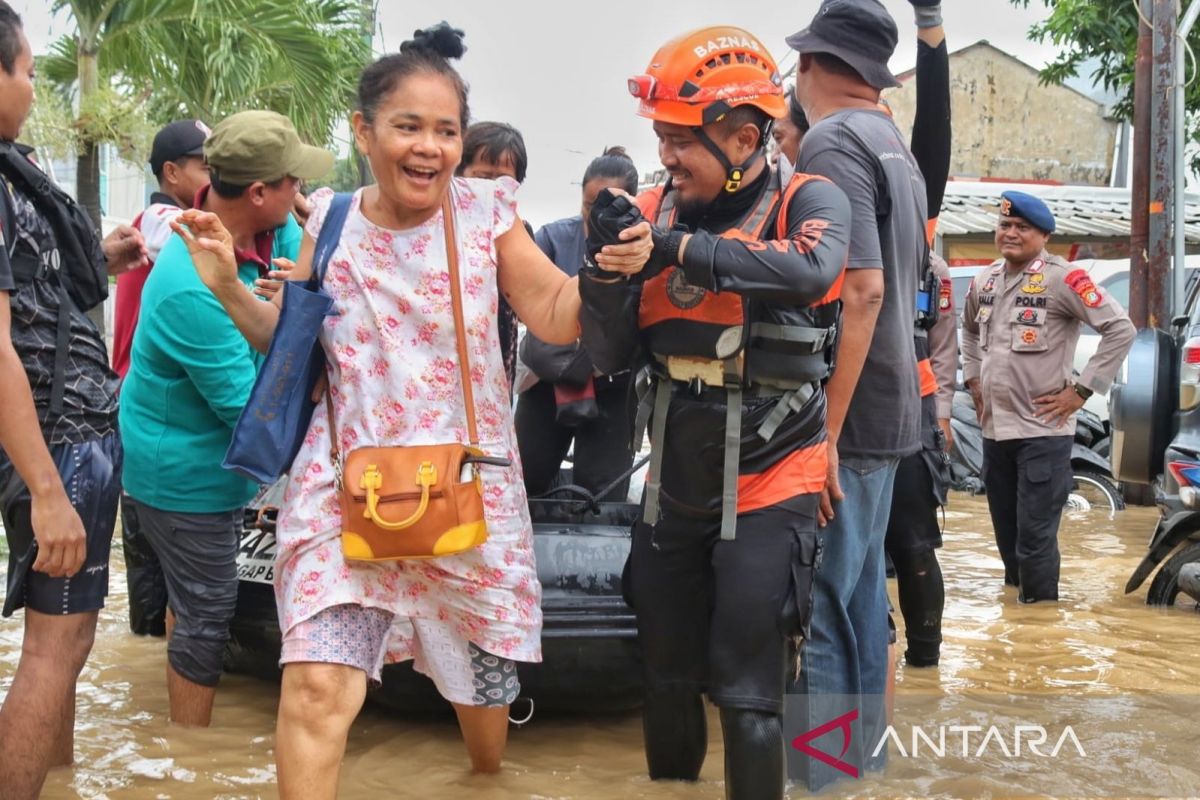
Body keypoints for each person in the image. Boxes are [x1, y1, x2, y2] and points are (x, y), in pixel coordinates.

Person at [174, 23, 650, 797]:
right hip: (344, 488)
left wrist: (603, 271)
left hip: (466, 486)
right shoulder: (324, 219)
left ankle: (483, 780)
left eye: (446, 130)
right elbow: (290, 341)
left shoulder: (487, 214)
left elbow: (557, 314)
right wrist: (227, 283)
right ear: (365, 132)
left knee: (482, 697)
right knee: (319, 688)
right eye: (408, 127)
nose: (429, 147)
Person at [578, 27, 850, 800]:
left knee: (748, 690)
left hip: (775, 477)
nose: (665, 157)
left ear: (742, 136)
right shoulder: (656, 209)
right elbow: (608, 357)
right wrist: (603, 274)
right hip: (674, 480)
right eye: (659, 137)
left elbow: (813, 270)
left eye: (678, 140)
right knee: (663, 676)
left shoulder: (808, 198)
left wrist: (674, 252)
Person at [119, 109, 329, 727]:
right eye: (294, 183)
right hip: (184, 479)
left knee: (192, 604)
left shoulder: (257, 231)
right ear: (259, 192)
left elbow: (297, 274)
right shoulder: (192, 284)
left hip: (209, 461)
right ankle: (190, 755)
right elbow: (249, 410)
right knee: (208, 615)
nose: (302, 194)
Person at [0, 4, 149, 796]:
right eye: (25, 71)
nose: (31, 86)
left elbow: (24, 297)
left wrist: (99, 256)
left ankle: (56, 782)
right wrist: (51, 492)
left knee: (65, 642)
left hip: (53, 436)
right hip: (56, 443)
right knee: (54, 650)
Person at [786, 0, 929, 786]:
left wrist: (824, 435)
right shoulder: (890, 143)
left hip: (853, 409)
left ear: (812, 66)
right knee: (864, 597)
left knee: (826, 608)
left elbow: (865, 290)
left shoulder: (831, 140)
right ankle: (865, 772)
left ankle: (825, 780)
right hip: (894, 403)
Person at [961, 191, 1135, 603]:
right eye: (1005, 226)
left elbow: (1120, 329)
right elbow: (968, 332)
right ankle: (1018, 633)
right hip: (995, 432)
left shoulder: (1063, 279)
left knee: (1035, 541)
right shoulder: (985, 281)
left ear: (1044, 235)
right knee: (1007, 540)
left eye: (1022, 227)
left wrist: (1081, 391)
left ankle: (1040, 618)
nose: (1011, 233)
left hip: (1043, 432)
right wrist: (973, 381)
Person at [115, 118, 212, 639]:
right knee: (165, 602)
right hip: (152, 419)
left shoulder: (153, 220)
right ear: (172, 173)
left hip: (144, 418)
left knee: (153, 597)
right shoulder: (163, 221)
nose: (217, 178)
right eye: (206, 167)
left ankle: (147, 702)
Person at [883, 0, 955, 671]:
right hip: (822, 408)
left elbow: (932, 133)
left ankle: (926, 669)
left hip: (905, 404)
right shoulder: (803, 201)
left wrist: (929, 25)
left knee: (911, 542)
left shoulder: (911, 208)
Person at [515, 146, 640, 499]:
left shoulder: (647, 249)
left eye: (611, 206)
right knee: (524, 483)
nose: (597, 216)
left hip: (614, 388)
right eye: (589, 206)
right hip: (547, 381)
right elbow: (529, 306)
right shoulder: (553, 238)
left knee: (602, 496)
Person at [456, 120, 528, 396]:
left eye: (502, 180)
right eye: (482, 177)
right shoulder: (437, 229)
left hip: (495, 366)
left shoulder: (518, 233)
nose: (492, 189)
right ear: (460, 173)